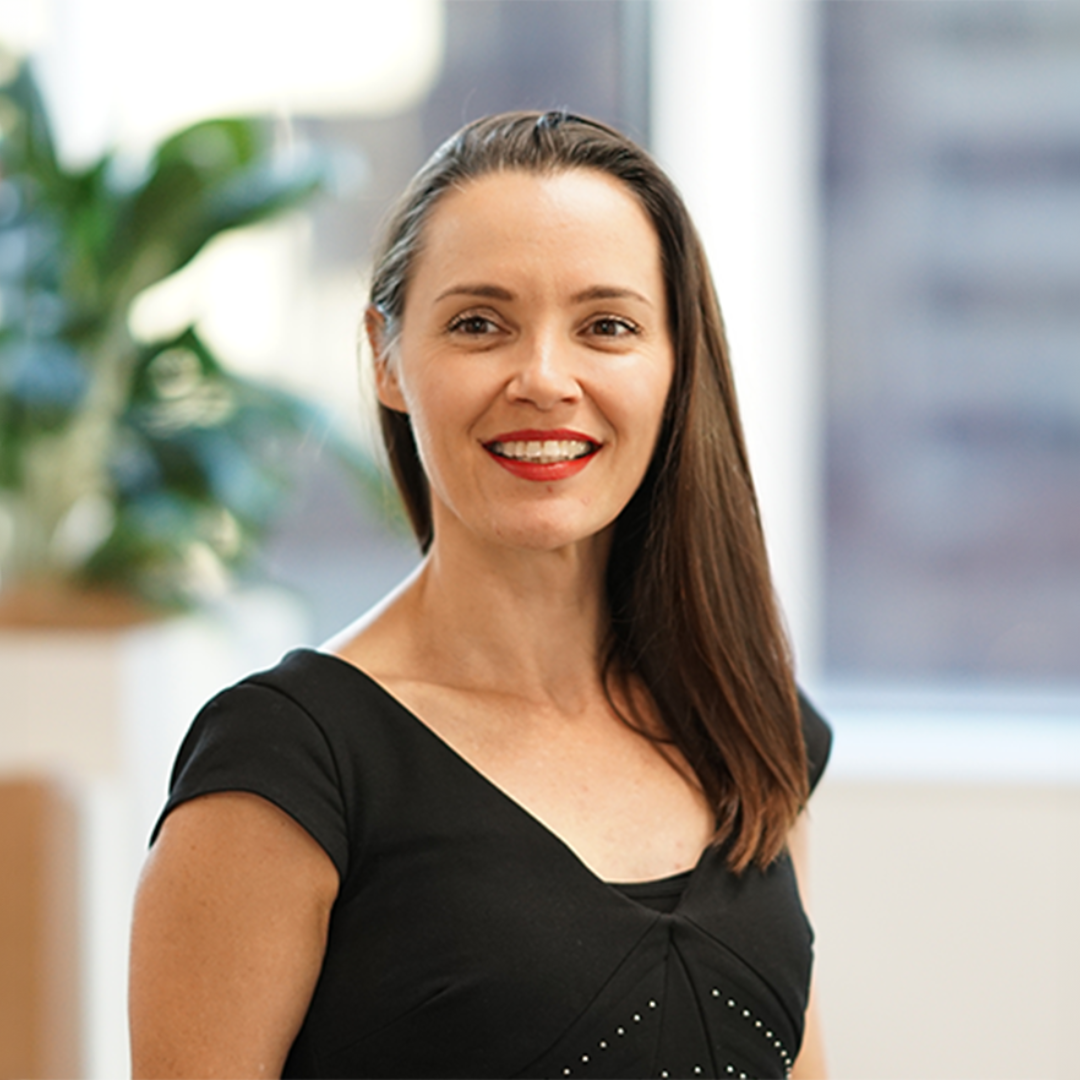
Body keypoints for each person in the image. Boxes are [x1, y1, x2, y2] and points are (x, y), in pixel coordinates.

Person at [129, 110, 831, 1080]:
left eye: (608, 326)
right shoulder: (288, 767)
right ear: (385, 356)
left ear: (678, 363)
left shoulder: (743, 714)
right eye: (478, 324)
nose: (544, 379)